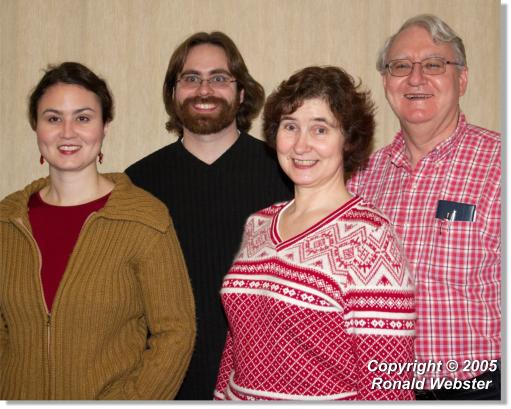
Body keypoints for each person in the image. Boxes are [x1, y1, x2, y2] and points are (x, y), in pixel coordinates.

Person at [214, 66, 416, 400]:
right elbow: (236, 344)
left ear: (348, 140)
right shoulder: (259, 224)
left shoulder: (369, 236)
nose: (301, 144)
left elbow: (386, 384)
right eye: (290, 127)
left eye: (320, 129)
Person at [0, 62, 195, 400]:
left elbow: (176, 331)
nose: (67, 132)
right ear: (36, 127)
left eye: (83, 117)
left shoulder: (145, 219)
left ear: (104, 126)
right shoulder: (6, 221)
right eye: (53, 118)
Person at [125, 32, 292, 399]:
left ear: (241, 93)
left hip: (264, 385)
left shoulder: (287, 177)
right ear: (173, 93)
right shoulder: (135, 185)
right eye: (190, 78)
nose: (204, 89)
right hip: (165, 386)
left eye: (219, 78)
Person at [348, 14, 501, 400]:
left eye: (434, 64)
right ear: (386, 82)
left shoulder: (500, 163)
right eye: (400, 66)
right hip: (381, 388)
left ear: (462, 79)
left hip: (478, 389)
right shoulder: (360, 178)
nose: (415, 78)